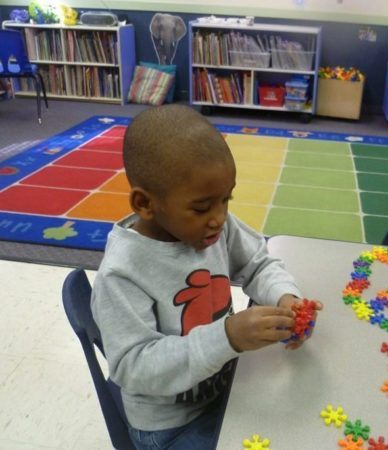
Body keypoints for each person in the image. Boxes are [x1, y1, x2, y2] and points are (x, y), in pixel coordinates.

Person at [91, 105, 322, 449]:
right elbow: (132, 366)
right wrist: (226, 337)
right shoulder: (121, 273)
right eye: (202, 208)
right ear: (145, 204)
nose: (219, 218)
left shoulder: (215, 228)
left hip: (224, 386)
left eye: (225, 201)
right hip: (170, 427)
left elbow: (258, 263)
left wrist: (285, 297)